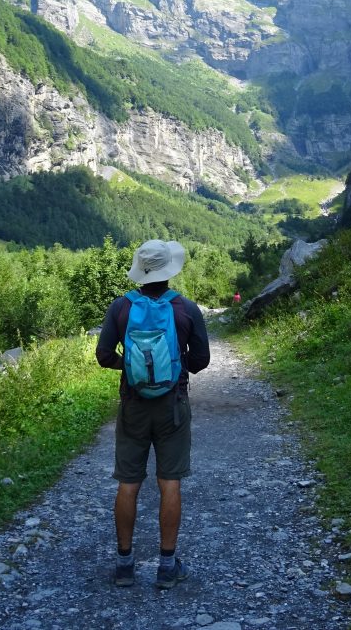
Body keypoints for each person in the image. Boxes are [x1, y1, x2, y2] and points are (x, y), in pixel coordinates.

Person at [96, 239, 210, 589]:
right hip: (172, 406)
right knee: (169, 482)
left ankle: (124, 566)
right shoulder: (186, 308)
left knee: (128, 483)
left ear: (141, 271)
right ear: (169, 270)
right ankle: (167, 566)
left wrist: (133, 369)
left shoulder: (121, 307)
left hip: (133, 405)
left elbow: (103, 355)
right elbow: (201, 361)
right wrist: (173, 366)